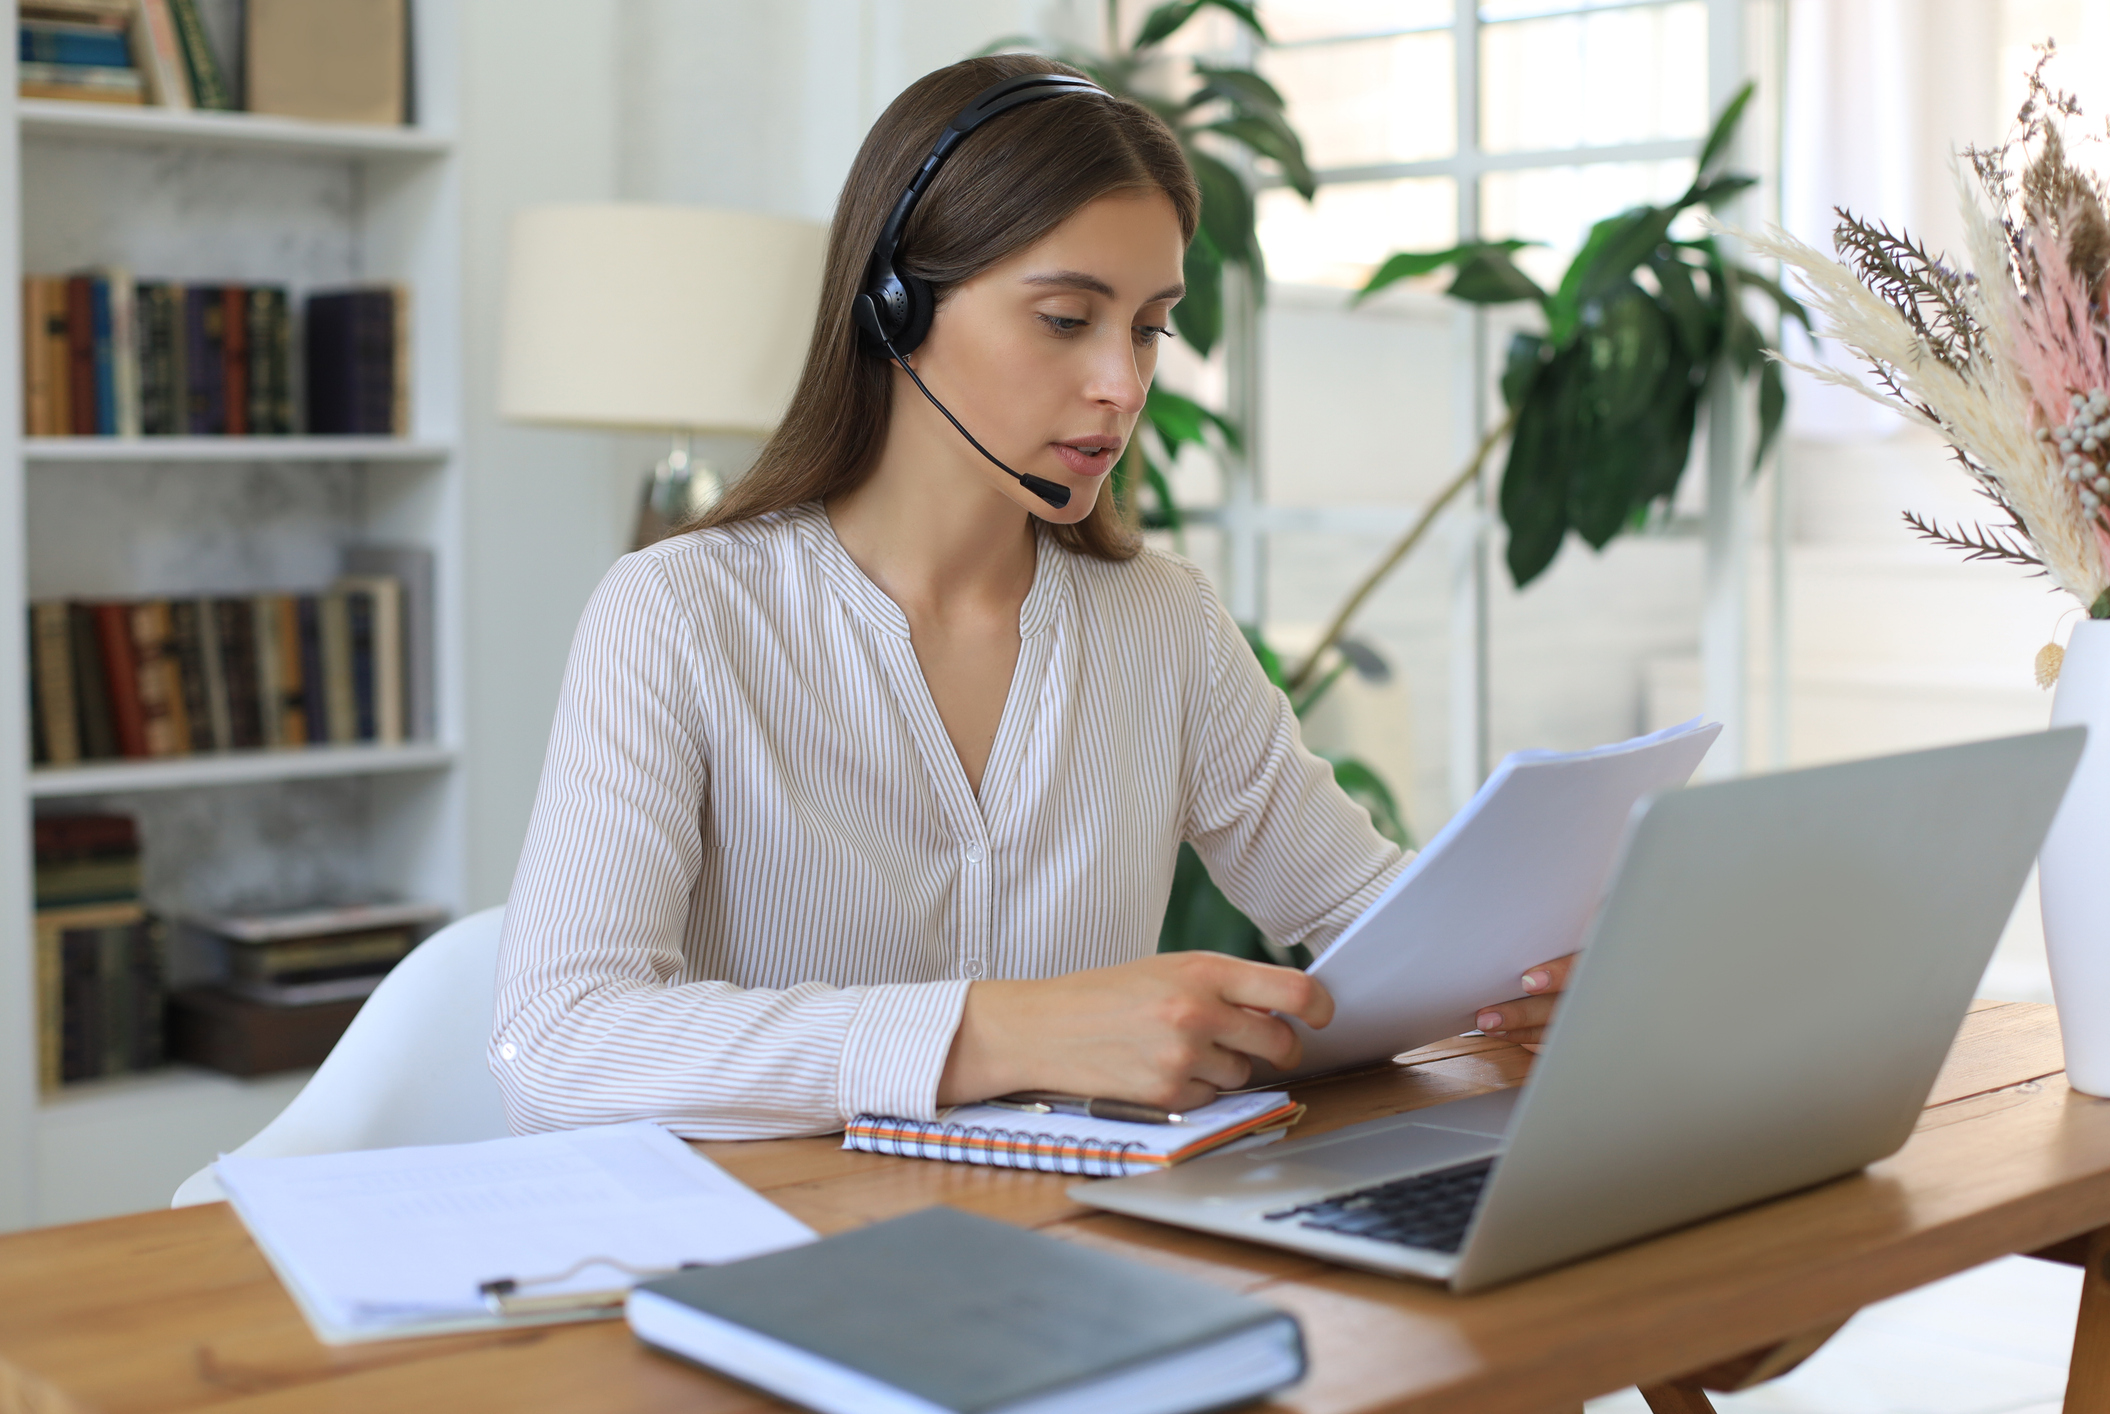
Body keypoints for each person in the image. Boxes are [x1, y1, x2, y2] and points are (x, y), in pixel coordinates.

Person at [490, 53, 1570, 1140]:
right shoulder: (680, 614)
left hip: (1091, 1247)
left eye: (1150, 326)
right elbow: (558, 1042)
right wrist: (1003, 1032)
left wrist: (1528, 978)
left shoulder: (1164, 624)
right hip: (782, 1257)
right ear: (894, 308)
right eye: (1066, 318)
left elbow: (1372, 920)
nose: (1124, 382)